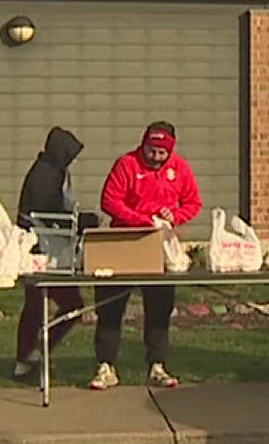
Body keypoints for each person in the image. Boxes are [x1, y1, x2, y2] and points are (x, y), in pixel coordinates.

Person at [90, 121, 201, 390]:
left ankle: (157, 365)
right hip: (125, 241)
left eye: (162, 153)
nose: (155, 158)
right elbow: (109, 200)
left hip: (159, 246)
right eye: (151, 151)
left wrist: (174, 216)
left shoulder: (179, 168)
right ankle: (106, 366)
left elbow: (193, 203)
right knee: (110, 306)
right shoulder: (127, 165)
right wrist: (141, 220)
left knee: (160, 307)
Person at [12, 126, 88, 382]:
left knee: (37, 306)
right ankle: (31, 355)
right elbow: (48, 213)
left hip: (44, 248)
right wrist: (78, 222)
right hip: (40, 251)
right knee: (67, 305)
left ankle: (29, 355)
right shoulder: (45, 176)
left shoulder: (51, 172)